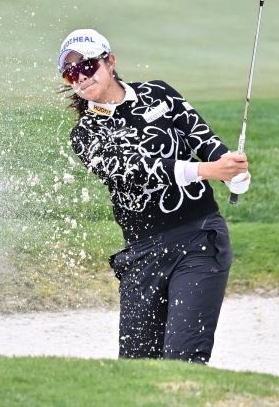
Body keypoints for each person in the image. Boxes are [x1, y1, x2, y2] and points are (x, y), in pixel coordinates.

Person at [58, 28, 250, 363]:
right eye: (71, 73)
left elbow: (202, 138)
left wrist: (233, 170)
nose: (81, 77)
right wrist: (206, 170)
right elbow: (134, 170)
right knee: (137, 368)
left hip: (199, 240)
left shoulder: (158, 94)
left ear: (110, 62)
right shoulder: (85, 134)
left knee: (183, 359)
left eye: (87, 66)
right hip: (142, 255)